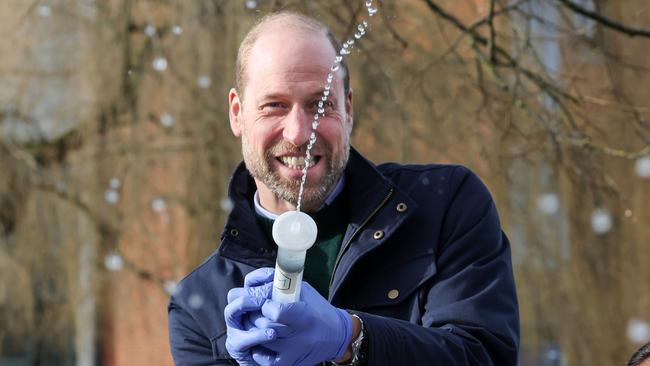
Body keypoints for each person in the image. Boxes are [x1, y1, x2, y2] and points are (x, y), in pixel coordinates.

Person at [168, 11, 519, 366]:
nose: (299, 133)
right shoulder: (198, 308)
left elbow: (484, 356)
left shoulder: (445, 205)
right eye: (274, 105)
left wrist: (351, 338)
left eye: (320, 105)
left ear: (348, 109)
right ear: (237, 113)